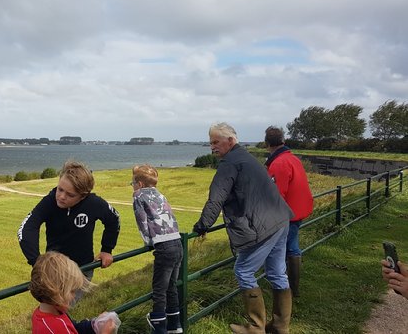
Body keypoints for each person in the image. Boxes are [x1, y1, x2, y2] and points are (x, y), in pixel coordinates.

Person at [192, 122, 295, 334]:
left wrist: (202, 226)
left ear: (230, 141)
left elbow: (215, 199)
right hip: (280, 219)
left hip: (263, 226)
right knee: (277, 272)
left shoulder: (229, 163)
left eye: (216, 142)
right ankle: (280, 326)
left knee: (244, 270)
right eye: (210, 142)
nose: (212, 147)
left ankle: (256, 327)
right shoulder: (247, 157)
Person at [18, 160, 121, 285]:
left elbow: (113, 219)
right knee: (53, 305)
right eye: (60, 189)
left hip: (83, 270)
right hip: (55, 272)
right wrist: (37, 263)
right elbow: (27, 228)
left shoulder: (93, 203)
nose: (61, 196)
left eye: (70, 195)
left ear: (83, 196)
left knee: (77, 305)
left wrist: (107, 249)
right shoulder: (50, 202)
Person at [131, 164, 183, 334]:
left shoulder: (138, 195)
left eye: (132, 183)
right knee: (171, 287)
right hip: (177, 242)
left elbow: (141, 220)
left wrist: (148, 241)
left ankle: (159, 329)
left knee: (159, 291)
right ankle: (175, 327)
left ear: (139, 184)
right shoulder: (161, 194)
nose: (132, 186)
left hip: (164, 245)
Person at [264, 126, 314, 297]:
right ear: (283, 140)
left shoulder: (278, 163)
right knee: (292, 247)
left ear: (267, 143)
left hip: (288, 214)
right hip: (299, 209)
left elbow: (276, 195)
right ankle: (292, 287)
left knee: (287, 249)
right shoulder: (292, 158)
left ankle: (288, 289)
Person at [29, 251, 120, 334]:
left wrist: (94, 325)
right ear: (56, 292)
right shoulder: (56, 328)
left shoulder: (48, 313)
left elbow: (73, 327)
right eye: (72, 291)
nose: (74, 296)